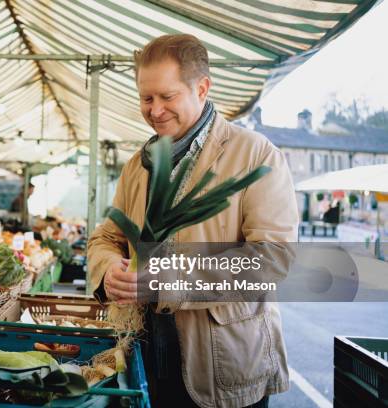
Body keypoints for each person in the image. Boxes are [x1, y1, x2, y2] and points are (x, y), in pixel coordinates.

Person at [87, 34, 298, 407]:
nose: (154, 110)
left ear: (202, 88)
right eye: (146, 98)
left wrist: (168, 278)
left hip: (223, 364)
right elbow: (106, 239)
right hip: (147, 355)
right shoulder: (139, 164)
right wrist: (107, 270)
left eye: (167, 97)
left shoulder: (254, 154)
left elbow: (272, 258)